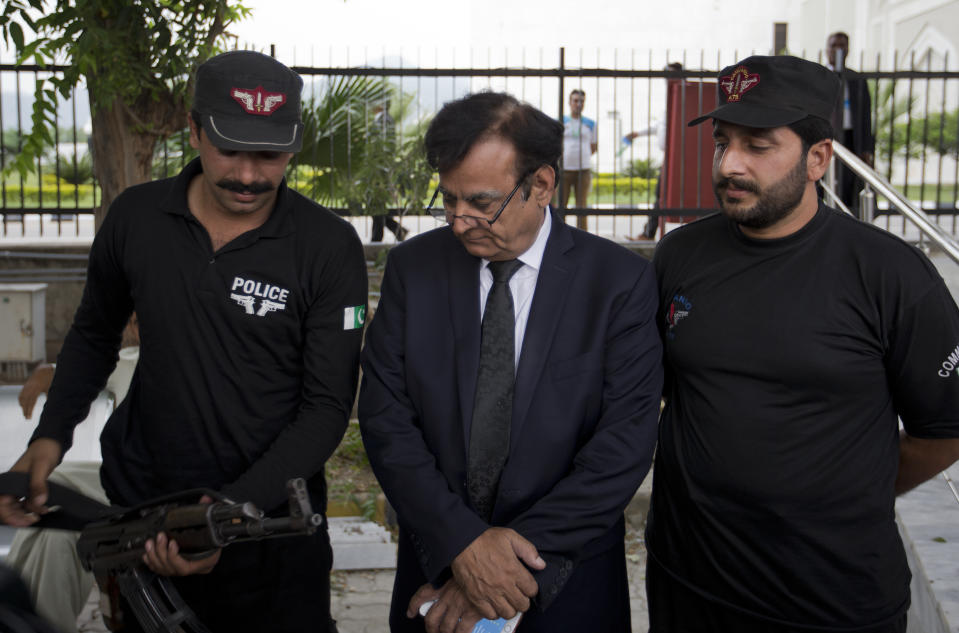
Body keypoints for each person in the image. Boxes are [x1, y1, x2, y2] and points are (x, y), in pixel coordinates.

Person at [0, 50, 368, 633]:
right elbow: (94, 334)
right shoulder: (136, 219)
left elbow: (326, 407)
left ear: (294, 146)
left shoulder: (328, 246)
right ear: (194, 131)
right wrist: (49, 439)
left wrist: (230, 511)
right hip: (140, 515)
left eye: (270, 155)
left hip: (269, 536)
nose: (249, 176)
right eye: (230, 150)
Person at [647, 55, 959, 633]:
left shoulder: (891, 274)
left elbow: (944, 431)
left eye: (758, 145)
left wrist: (852, 491)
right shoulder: (680, 255)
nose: (730, 164)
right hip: (688, 586)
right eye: (722, 142)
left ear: (818, 158)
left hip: (833, 603)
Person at [359, 91, 662, 633]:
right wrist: (463, 548)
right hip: (434, 577)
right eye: (448, 200)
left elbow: (624, 444)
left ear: (542, 185)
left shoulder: (617, 283)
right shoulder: (413, 271)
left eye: (480, 202)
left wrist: (502, 567)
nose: (458, 221)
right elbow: (386, 420)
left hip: (567, 585)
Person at [6, 316, 138, 633]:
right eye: (131, 319)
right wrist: (47, 372)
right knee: (50, 520)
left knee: (54, 486)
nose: (134, 326)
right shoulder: (132, 362)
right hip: (122, 489)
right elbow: (85, 369)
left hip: (174, 488)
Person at [826, 31, 875, 217]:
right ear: (827, 49)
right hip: (825, 135)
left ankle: (844, 218)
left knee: (848, 184)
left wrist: (866, 149)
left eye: (842, 45)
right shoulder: (820, 77)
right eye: (834, 45)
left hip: (850, 137)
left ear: (848, 49)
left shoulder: (856, 80)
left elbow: (865, 117)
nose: (838, 49)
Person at [369, 100, 409, 243]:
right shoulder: (383, 119)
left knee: (375, 202)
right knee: (375, 203)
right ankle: (397, 230)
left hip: (379, 167)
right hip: (380, 166)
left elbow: (383, 144)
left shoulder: (384, 120)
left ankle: (377, 238)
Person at [560, 89, 597, 226]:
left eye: (581, 101)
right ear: (570, 102)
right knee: (561, 206)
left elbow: (593, 146)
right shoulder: (561, 121)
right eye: (575, 101)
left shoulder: (591, 123)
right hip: (564, 169)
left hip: (584, 170)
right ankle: (559, 236)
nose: (578, 104)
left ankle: (582, 235)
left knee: (581, 206)